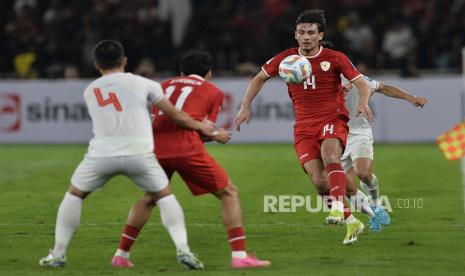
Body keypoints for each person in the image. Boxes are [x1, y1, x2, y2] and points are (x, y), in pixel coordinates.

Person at [39, 40, 213, 269]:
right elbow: (176, 115)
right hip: (139, 153)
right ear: (125, 61)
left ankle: (58, 254)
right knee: (164, 196)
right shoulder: (145, 84)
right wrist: (201, 127)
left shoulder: (90, 90)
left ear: (96, 65)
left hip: (101, 154)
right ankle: (184, 250)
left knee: (74, 195)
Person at [114, 50, 271, 269]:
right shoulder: (213, 91)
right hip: (186, 148)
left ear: (181, 71)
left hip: (155, 148)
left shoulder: (164, 85)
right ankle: (239, 255)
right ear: (209, 73)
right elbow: (203, 132)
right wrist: (218, 136)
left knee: (149, 197)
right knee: (229, 192)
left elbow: (155, 119)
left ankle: (121, 254)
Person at [236, 9, 373, 245]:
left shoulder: (335, 58)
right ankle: (352, 222)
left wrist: (362, 102)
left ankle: (338, 207)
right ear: (296, 35)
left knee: (331, 154)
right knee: (320, 183)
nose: (306, 36)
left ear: (320, 35)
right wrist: (244, 106)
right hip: (304, 126)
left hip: (332, 119)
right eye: (302, 32)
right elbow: (259, 78)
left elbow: (362, 83)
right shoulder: (287, 59)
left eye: (311, 32)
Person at [341, 76, 428, 231]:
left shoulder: (354, 77)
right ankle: (372, 216)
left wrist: (411, 98)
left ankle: (376, 204)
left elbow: (383, 87)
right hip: (334, 137)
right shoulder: (317, 82)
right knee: (347, 188)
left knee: (363, 173)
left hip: (359, 133)